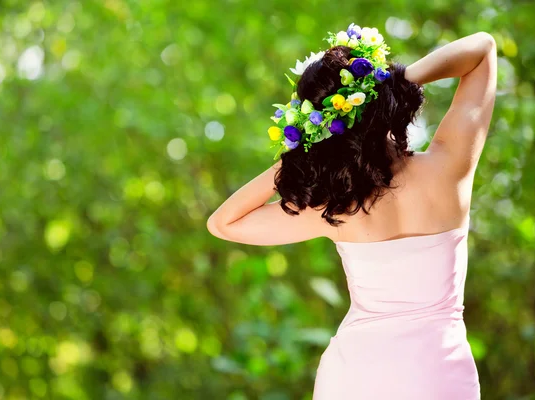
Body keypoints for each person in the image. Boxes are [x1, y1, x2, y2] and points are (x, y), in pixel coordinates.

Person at [207, 24, 497, 400]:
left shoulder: (333, 208)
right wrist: (394, 80)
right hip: (439, 372)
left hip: (357, 375)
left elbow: (223, 223)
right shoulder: (449, 165)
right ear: (383, 102)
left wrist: (302, 151)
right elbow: (482, 49)